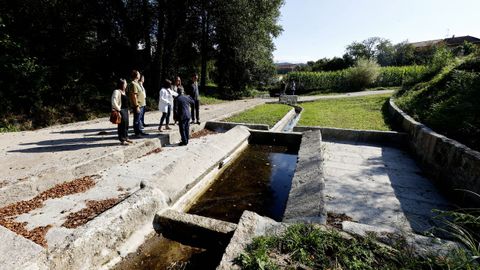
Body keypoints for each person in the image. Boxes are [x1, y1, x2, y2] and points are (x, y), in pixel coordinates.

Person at [111, 79, 133, 145]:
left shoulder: (123, 91)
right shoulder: (116, 91)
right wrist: (118, 110)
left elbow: (125, 102)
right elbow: (114, 102)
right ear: (121, 84)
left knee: (126, 124)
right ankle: (122, 140)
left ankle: (126, 137)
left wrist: (128, 110)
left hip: (125, 110)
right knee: (121, 125)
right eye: (125, 83)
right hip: (120, 110)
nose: (126, 84)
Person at [127, 70, 147, 137]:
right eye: (138, 74)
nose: (139, 75)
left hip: (142, 104)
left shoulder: (137, 83)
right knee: (137, 119)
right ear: (136, 75)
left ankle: (140, 131)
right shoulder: (133, 84)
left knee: (139, 119)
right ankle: (137, 133)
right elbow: (134, 96)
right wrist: (137, 106)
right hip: (138, 105)